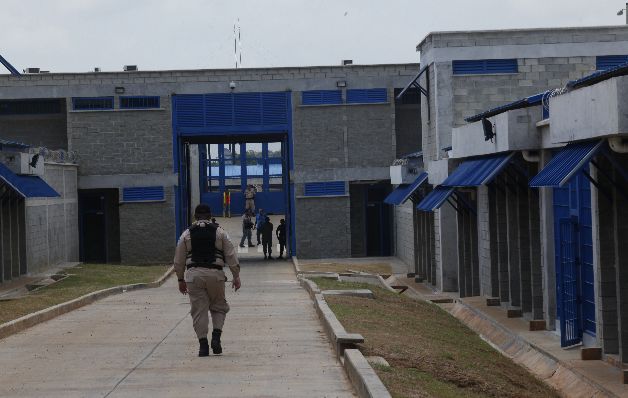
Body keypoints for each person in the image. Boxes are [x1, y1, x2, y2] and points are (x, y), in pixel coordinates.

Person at [173, 204, 241, 357]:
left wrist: (180, 279)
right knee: (218, 307)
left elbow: (178, 260)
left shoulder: (186, 234)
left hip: (193, 276)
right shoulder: (220, 233)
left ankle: (203, 346)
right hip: (215, 275)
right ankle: (216, 337)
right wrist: (236, 276)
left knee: (199, 311)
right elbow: (231, 255)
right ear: (210, 216)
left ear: (195, 217)